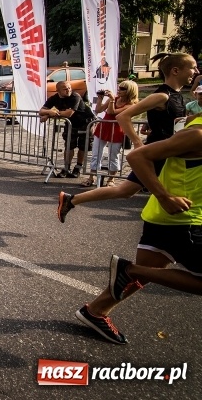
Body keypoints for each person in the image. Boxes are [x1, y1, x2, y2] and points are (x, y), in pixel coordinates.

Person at [74, 117, 202, 344]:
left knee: (148, 271)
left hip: (165, 217)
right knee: (141, 272)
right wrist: (165, 197)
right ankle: (130, 269)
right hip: (183, 219)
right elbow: (136, 155)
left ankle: (96, 311)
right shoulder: (197, 133)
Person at [58, 53, 198, 223]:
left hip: (169, 150)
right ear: (175, 71)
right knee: (158, 193)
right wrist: (138, 143)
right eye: (193, 68)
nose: (196, 71)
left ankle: (71, 200)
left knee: (126, 190)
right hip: (157, 152)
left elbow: (175, 122)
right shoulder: (162, 96)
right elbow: (123, 117)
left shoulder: (178, 96)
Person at [82, 81, 138, 187]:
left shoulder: (131, 104)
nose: (119, 89)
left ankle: (111, 179)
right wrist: (100, 98)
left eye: (122, 88)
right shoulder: (115, 99)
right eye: (119, 87)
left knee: (113, 156)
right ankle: (91, 177)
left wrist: (112, 100)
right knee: (96, 154)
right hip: (103, 127)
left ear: (130, 91)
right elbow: (98, 110)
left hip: (117, 130)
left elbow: (112, 112)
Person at [39, 80, 90, 177]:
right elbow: (41, 111)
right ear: (57, 90)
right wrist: (49, 112)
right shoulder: (54, 98)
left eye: (69, 88)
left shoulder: (75, 96)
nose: (68, 90)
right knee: (69, 146)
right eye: (65, 89)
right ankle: (66, 168)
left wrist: (49, 114)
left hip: (85, 122)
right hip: (71, 124)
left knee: (83, 146)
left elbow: (68, 113)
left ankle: (77, 168)